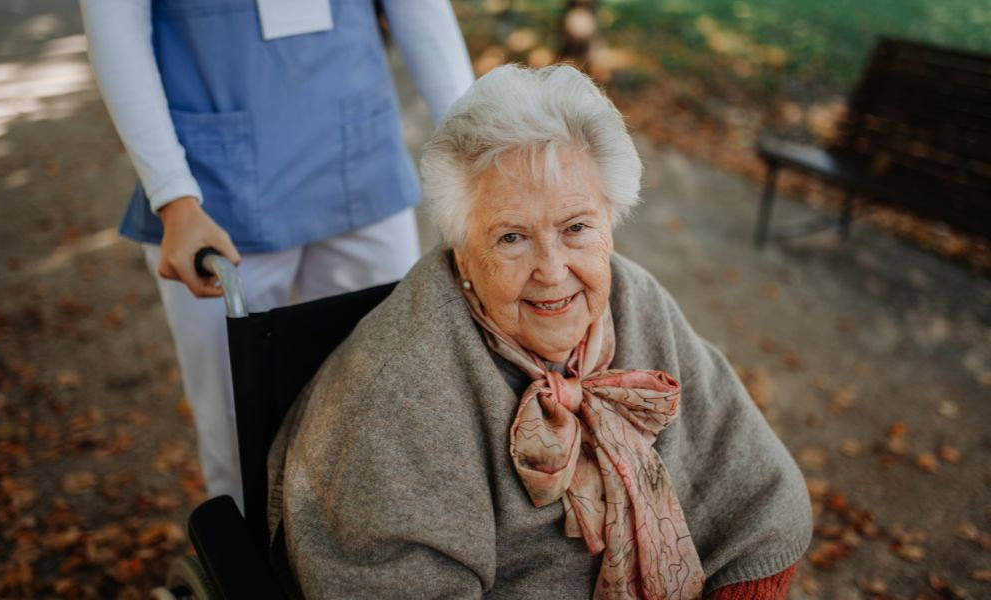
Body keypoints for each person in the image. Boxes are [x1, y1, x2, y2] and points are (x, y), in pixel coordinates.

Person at [267, 64, 812, 598]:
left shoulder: (634, 297)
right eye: (512, 238)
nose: (552, 271)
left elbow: (763, 499)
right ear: (461, 249)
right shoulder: (398, 391)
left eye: (576, 228)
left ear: (611, 220)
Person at [79, 0, 474, 508]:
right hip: (214, 197)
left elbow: (421, 12)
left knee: (388, 404)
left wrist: (479, 154)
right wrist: (173, 197)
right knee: (239, 431)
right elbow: (116, 32)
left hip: (359, 160)